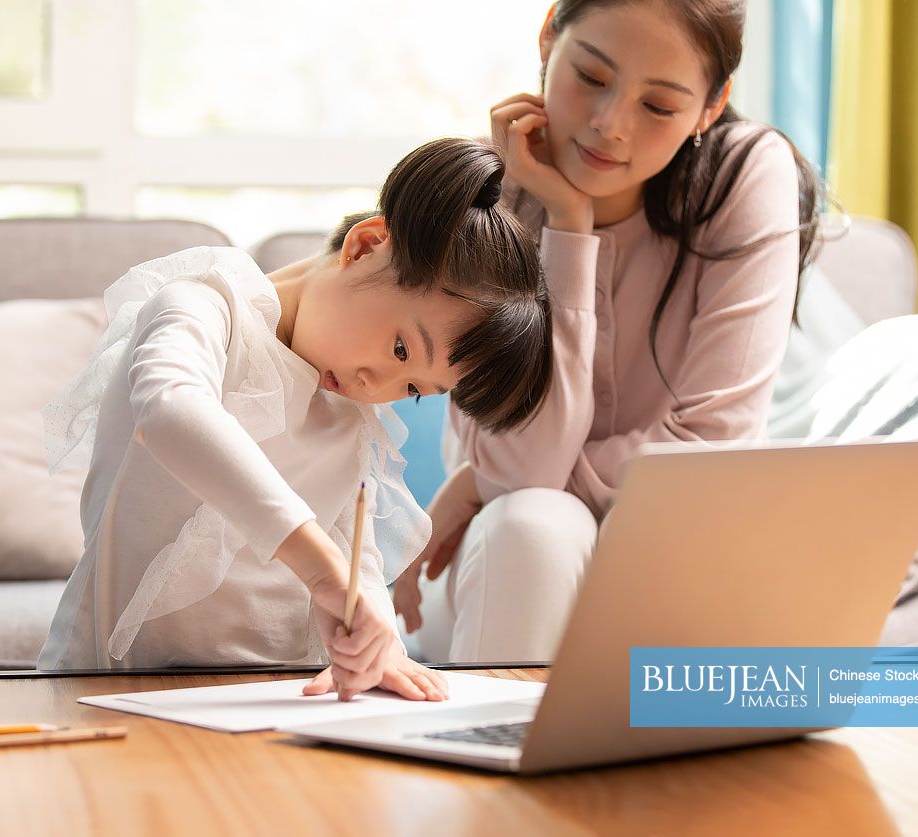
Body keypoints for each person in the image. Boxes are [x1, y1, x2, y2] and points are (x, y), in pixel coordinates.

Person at [36, 137, 553, 702]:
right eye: (402, 349)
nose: (374, 384)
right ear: (366, 246)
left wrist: (372, 635)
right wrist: (322, 569)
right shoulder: (206, 305)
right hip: (116, 682)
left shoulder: (354, 415)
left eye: (412, 388)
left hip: (275, 694)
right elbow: (172, 408)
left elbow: (358, 549)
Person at [394, 0, 825, 663]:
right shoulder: (485, 195)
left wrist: (479, 481)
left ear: (709, 108)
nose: (608, 126)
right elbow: (522, 473)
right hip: (504, 551)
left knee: (659, 527)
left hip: (669, 537)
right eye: (591, 78)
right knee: (535, 526)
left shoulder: (742, 176)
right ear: (548, 37)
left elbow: (712, 444)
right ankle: (490, 751)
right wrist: (568, 222)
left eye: (658, 108)